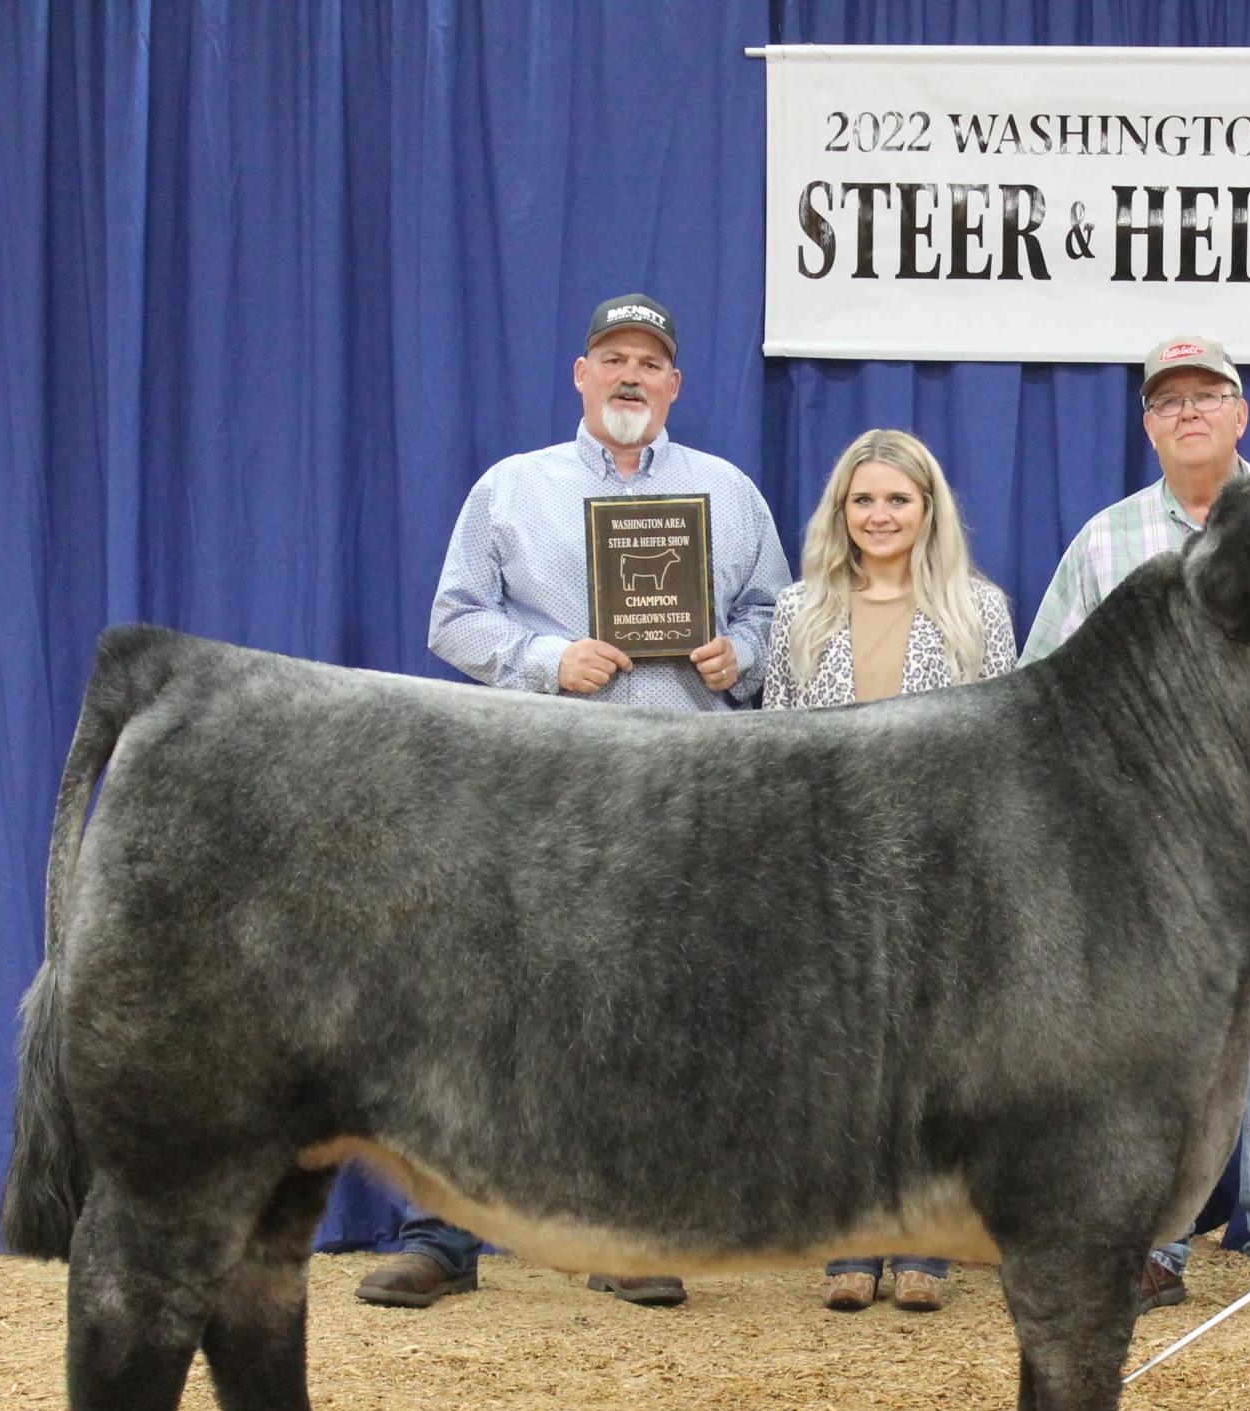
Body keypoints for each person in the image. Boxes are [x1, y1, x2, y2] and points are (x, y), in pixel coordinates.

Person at [354, 292, 793, 1311]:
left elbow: (780, 610)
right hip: (538, 784)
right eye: (613, 359)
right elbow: (452, 621)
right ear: (581, 375)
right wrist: (550, 658)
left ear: (675, 384)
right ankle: (440, 1234)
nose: (631, 375)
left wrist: (745, 653)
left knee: (657, 1012)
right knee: (484, 1006)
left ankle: (632, 1229)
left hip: (685, 789)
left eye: (650, 360)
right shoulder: (512, 489)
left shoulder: (727, 492)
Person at [1020, 333, 1250, 1321]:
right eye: (1167, 402)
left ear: (1242, 414)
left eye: (1208, 394)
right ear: (1148, 427)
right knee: (1159, 1049)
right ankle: (1153, 1245)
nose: (1188, 412)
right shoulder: (1105, 542)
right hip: (1157, 842)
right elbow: (1050, 682)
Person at [762, 428, 1019, 1313]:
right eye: (863, 499)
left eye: (898, 500)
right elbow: (775, 740)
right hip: (828, 863)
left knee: (932, 1064)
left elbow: (1001, 749)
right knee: (839, 1061)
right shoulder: (797, 610)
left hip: (941, 866)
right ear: (842, 509)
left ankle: (924, 1247)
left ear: (928, 511)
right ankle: (852, 1242)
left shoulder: (979, 610)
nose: (880, 515)